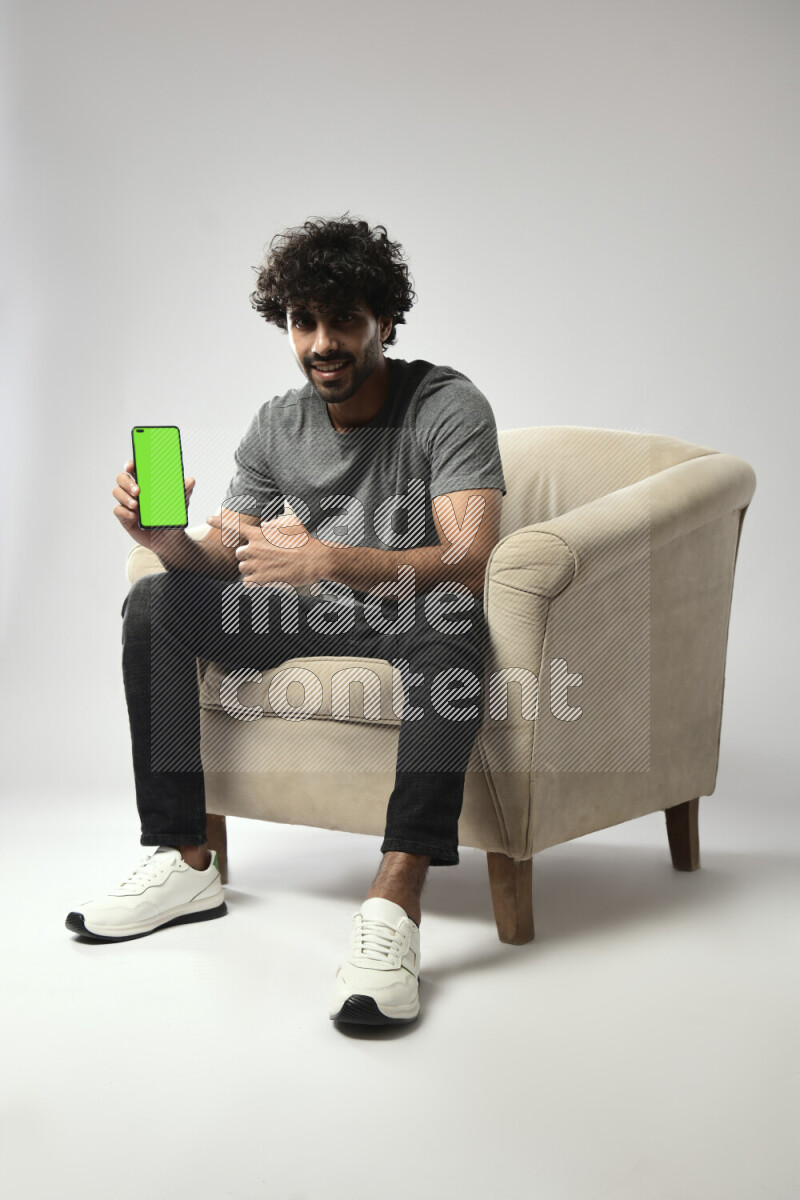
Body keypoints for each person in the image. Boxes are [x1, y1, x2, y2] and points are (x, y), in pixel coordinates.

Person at [65, 215, 506, 1027]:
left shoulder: (447, 403)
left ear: (385, 320)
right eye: (305, 321)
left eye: (344, 319)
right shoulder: (277, 422)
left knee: (455, 626)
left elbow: (469, 556)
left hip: (408, 611)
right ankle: (183, 857)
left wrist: (328, 559)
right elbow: (225, 553)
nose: (323, 342)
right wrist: (165, 540)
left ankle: (395, 901)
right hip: (302, 615)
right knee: (157, 602)